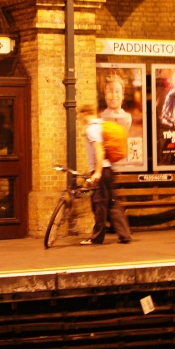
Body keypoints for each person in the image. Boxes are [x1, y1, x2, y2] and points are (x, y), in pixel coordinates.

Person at [78, 104, 132, 245]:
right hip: (108, 170)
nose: (79, 118)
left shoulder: (92, 129)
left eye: (80, 115)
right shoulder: (101, 125)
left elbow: (99, 150)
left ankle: (97, 237)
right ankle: (124, 235)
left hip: (102, 171)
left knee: (99, 204)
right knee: (111, 203)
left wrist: (97, 172)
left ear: (84, 113)